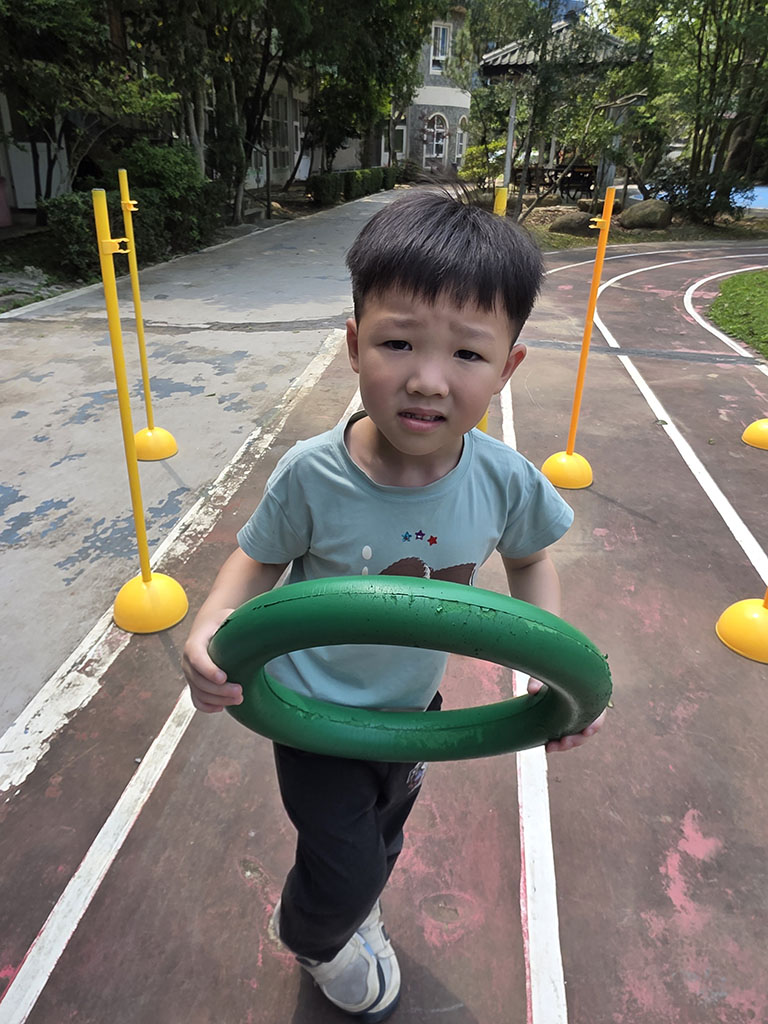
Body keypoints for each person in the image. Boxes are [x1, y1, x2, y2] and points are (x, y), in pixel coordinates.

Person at [182, 189, 606, 1022]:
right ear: (354, 344)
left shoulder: (504, 481)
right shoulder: (313, 474)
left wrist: (549, 674)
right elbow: (257, 557)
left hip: (414, 709)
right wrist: (211, 625)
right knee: (342, 864)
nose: (426, 379)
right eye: (398, 341)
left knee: (380, 839)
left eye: (467, 353)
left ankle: (348, 904)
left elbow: (531, 560)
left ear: (508, 367)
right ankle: (313, 933)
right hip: (313, 713)